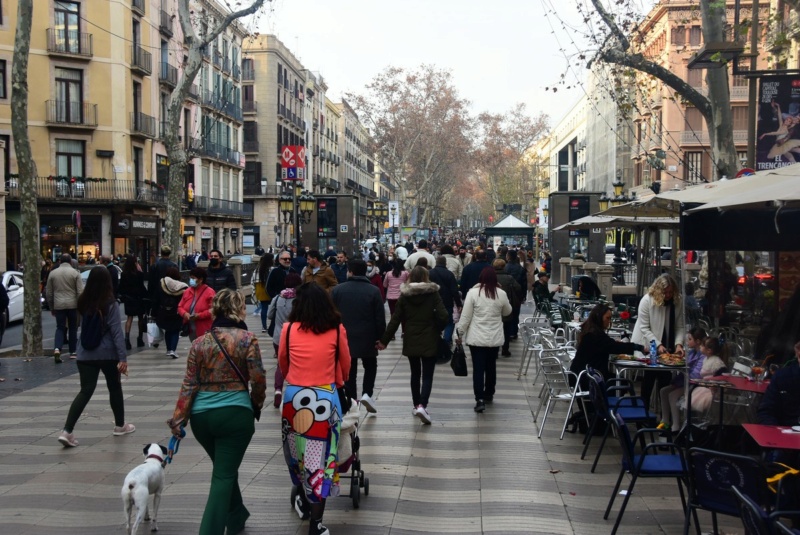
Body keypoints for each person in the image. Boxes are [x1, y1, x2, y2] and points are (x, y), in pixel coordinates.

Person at [167, 289, 266, 535]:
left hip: (202, 419)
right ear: (238, 309)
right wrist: (256, 404)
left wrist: (179, 419)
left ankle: (236, 515)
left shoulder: (200, 342)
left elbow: (189, 383)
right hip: (235, 416)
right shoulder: (247, 339)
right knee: (223, 475)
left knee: (224, 467)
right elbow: (259, 378)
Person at [277, 283, 351, 535]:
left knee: (296, 453)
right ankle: (316, 524)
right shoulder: (336, 329)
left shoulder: (288, 330)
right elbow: (346, 362)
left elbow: (283, 364)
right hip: (325, 398)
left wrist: (296, 381)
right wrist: (336, 381)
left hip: (294, 398)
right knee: (321, 460)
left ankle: (301, 494)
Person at [57, 267, 133, 447]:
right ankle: (120, 425)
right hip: (107, 353)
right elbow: (116, 332)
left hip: (85, 353)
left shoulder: (82, 301)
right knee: (114, 388)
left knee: (85, 390)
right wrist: (123, 358)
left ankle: (67, 431)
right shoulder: (110, 303)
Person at [377, 267, 448, 424]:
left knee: (415, 374)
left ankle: (416, 405)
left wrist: (384, 340)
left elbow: (395, 319)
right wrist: (437, 328)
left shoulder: (405, 295)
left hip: (411, 338)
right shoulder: (433, 293)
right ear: (426, 277)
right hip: (430, 338)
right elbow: (444, 315)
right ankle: (423, 404)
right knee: (428, 375)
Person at [332, 259, 386, 413]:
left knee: (350, 369)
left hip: (344, 336)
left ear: (351, 271)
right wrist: (381, 338)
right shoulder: (373, 291)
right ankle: (367, 394)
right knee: (370, 366)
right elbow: (380, 318)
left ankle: (352, 398)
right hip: (368, 336)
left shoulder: (338, 290)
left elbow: (331, 315)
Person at [455, 267, 512, 413]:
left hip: (477, 338)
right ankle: (489, 393)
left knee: (478, 368)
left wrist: (459, 334)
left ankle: (479, 399)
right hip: (494, 338)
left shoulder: (473, 293)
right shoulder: (501, 293)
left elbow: (466, 316)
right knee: (491, 366)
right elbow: (507, 311)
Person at [631, 274, 686, 412]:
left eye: (670, 292)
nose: (668, 295)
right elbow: (644, 327)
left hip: (668, 344)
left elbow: (679, 326)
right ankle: (643, 412)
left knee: (665, 379)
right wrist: (658, 344)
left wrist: (679, 343)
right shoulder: (647, 301)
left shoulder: (677, 302)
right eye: (665, 292)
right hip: (649, 344)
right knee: (648, 378)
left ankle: (663, 413)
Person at [569, 304, 644, 382]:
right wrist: (638, 347)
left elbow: (608, 345)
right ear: (599, 318)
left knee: (620, 381)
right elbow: (615, 347)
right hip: (587, 379)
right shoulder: (595, 335)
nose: (609, 321)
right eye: (607, 318)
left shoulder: (590, 331)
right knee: (624, 383)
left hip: (581, 375)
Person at [657, 327, 707, 431]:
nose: (687, 342)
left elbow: (697, 374)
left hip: (695, 384)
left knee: (672, 395)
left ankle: (675, 426)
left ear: (697, 341)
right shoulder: (692, 352)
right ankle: (665, 420)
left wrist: (681, 379)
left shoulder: (703, 355)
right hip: (686, 381)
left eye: (690, 339)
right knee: (663, 391)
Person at [267, 272, 303, 408]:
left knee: (280, 365)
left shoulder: (277, 298)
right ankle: (294, 390)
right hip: (296, 336)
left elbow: (270, 315)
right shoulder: (300, 299)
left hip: (278, 336)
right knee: (297, 364)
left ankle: (277, 390)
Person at [46, 253, 84, 363]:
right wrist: (80, 305)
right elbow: (80, 291)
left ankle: (57, 348)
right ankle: (73, 351)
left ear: (59, 261)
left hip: (59, 304)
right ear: (71, 262)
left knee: (60, 327)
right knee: (73, 328)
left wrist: (51, 306)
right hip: (73, 304)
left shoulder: (53, 273)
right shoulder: (75, 273)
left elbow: (49, 292)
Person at [428, 256, 463, 364]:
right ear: (445, 263)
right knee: (449, 322)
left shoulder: (430, 273)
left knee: (433, 322)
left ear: (436, 262)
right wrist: (458, 304)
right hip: (446, 302)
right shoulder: (449, 274)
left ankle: (435, 342)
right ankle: (446, 341)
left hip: (432, 302)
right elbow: (454, 290)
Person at [156, 266, 188, 359]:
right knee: (175, 330)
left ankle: (168, 349)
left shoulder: (162, 283)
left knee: (168, 330)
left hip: (164, 310)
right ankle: (173, 350)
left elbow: (156, 297)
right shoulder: (182, 286)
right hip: (176, 311)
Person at [118, 255, 148, 349]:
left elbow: (121, 288)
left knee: (129, 318)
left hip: (128, 298)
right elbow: (142, 287)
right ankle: (140, 338)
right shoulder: (139, 274)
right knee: (140, 318)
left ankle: (127, 339)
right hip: (138, 298)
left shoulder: (124, 274)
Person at [178, 267, 216, 342]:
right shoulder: (187, 291)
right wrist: (185, 314)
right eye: (190, 278)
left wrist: (199, 315)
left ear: (201, 279)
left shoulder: (210, 292)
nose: (191, 280)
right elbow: (180, 306)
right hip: (190, 327)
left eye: (193, 278)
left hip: (205, 327)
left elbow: (213, 310)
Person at [383, 258, 409, 322]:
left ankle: (392, 330)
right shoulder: (405, 273)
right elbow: (409, 283)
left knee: (393, 314)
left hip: (391, 297)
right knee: (403, 315)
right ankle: (403, 331)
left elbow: (385, 285)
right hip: (402, 296)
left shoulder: (388, 273)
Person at [253, 253, 274, 330]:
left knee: (264, 308)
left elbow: (253, 280)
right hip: (269, 289)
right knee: (274, 307)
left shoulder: (257, 269)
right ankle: (272, 325)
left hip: (260, 289)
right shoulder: (271, 269)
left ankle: (264, 326)